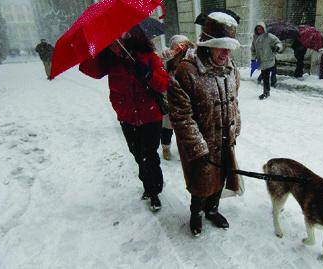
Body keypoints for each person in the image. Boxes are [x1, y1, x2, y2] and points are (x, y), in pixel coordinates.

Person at [79, 25, 169, 212]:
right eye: (110, 44)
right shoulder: (109, 61)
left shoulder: (148, 56)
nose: (115, 46)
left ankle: (154, 192)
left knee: (149, 155)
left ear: (129, 38)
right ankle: (147, 185)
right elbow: (88, 69)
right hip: (127, 117)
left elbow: (163, 84)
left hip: (150, 115)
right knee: (137, 154)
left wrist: (148, 73)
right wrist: (94, 49)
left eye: (118, 41)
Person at [169, 12, 243, 237]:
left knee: (220, 179)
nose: (226, 53)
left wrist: (235, 127)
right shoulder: (187, 71)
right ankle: (197, 214)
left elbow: (234, 103)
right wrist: (199, 147)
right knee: (201, 183)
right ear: (208, 45)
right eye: (221, 47)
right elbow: (181, 116)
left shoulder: (231, 70)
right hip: (201, 144)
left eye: (229, 48)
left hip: (224, 140)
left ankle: (212, 210)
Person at [159, 35, 195, 160]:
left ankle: (185, 148)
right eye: (178, 45)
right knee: (167, 127)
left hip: (185, 99)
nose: (181, 48)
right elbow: (158, 69)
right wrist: (164, 58)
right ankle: (166, 148)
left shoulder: (189, 58)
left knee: (185, 127)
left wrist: (192, 46)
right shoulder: (167, 58)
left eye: (183, 45)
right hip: (169, 98)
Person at [251, 22, 283, 100]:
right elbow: (253, 49)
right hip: (262, 61)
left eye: (261, 29)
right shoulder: (255, 38)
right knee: (265, 77)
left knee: (271, 74)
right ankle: (266, 91)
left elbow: (278, 42)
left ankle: (268, 89)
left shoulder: (269, 36)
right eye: (258, 29)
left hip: (270, 60)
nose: (259, 30)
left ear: (264, 29)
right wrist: (253, 58)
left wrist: (277, 47)